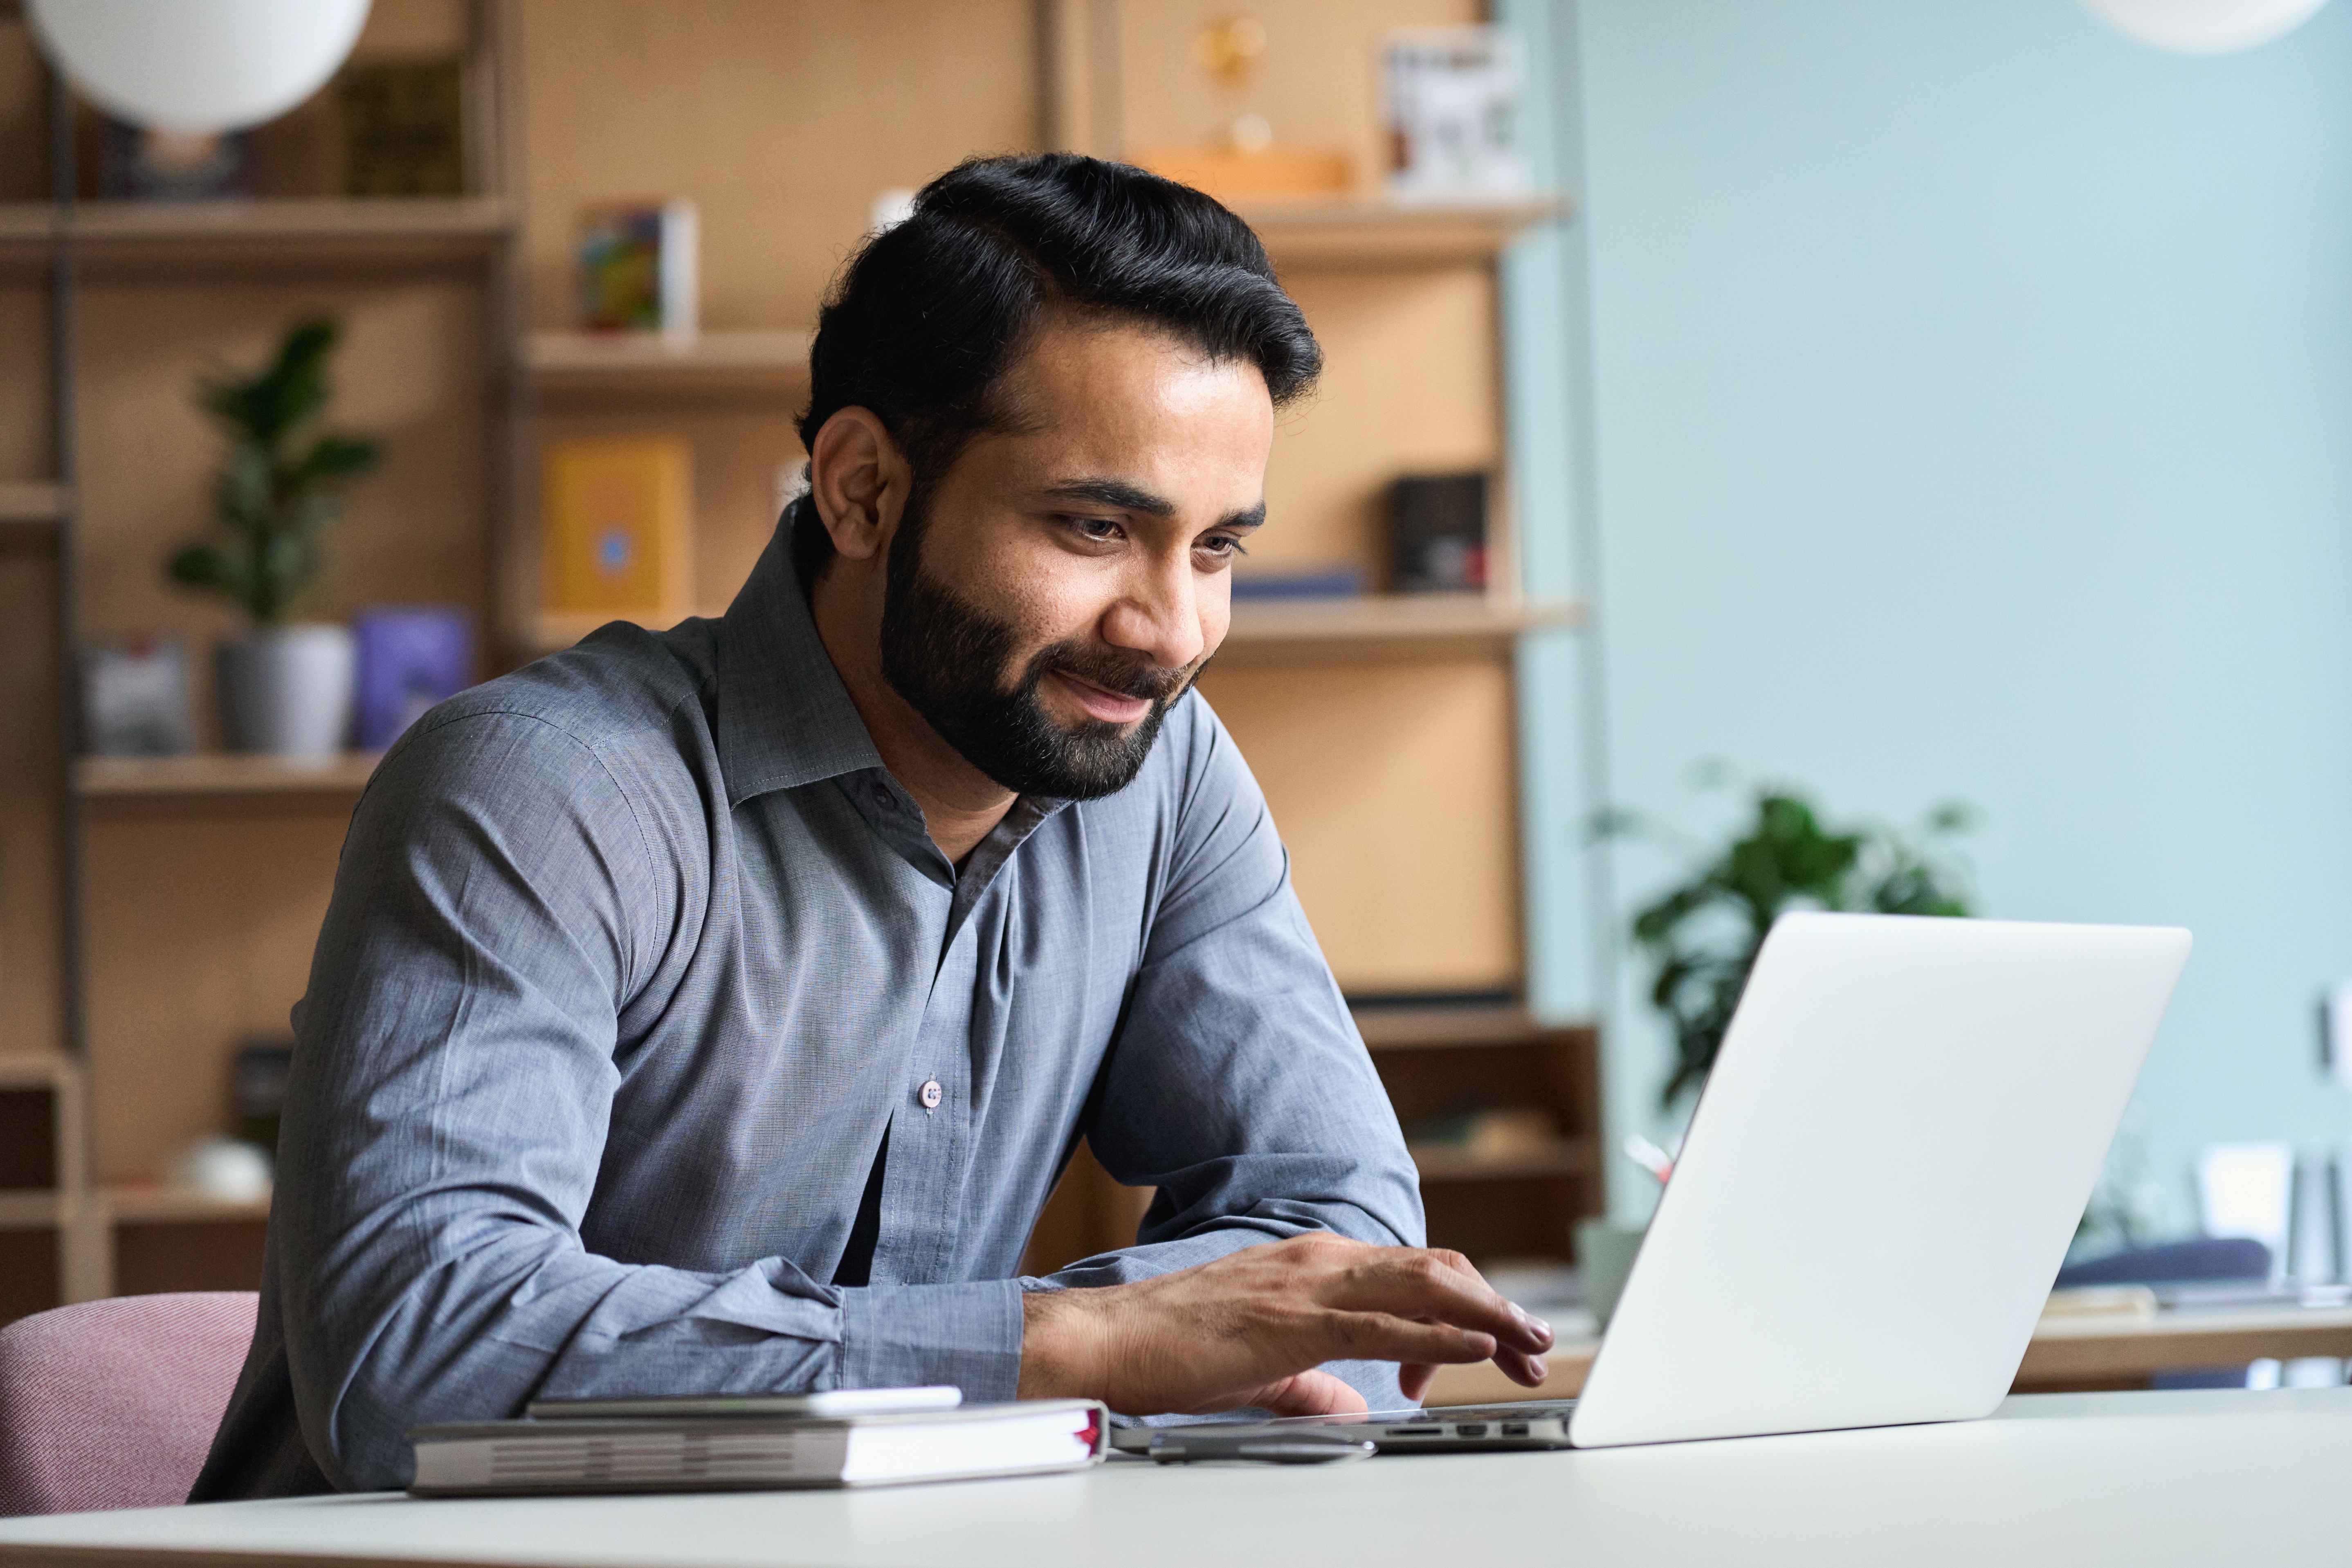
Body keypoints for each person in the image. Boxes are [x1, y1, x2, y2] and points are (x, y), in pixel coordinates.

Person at [192, 153, 1553, 1498]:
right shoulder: (544, 788)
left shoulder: (1163, 773)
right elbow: (418, 1356)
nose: (1171, 632)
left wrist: (1154, 1348)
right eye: (1092, 526)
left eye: (1215, 549)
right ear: (860, 490)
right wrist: (1078, 1344)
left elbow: (1344, 1233)